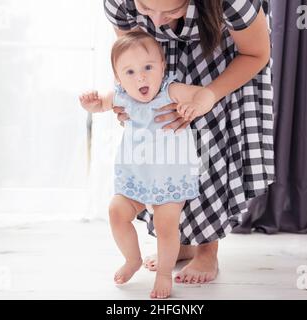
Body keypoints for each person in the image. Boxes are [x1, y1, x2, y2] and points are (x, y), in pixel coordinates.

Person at [102, 0, 274, 285]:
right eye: (146, 10)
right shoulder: (118, 2)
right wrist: (130, 96)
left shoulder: (232, 3)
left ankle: (207, 248)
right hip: (159, 62)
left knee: (208, 140)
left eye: (171, 12)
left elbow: (255, 53)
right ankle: (180, 242)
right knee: (167, 141)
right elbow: (130, 54)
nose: (157, 23)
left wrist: (208, 95)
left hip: (226, 57)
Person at [79, 31, 215, 298]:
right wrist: (92, 105)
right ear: (118, 78)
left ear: (163, 67)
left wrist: (197, 105)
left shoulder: (170, 91)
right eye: (129, 72)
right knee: (117, 212)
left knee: (166, 227)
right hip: (136, 178)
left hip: (169, 177)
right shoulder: (122, 95)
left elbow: (204, 93)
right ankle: (132, 259)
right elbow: (102, 105)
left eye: (148, 67)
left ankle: (164, 275)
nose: (140, 77)